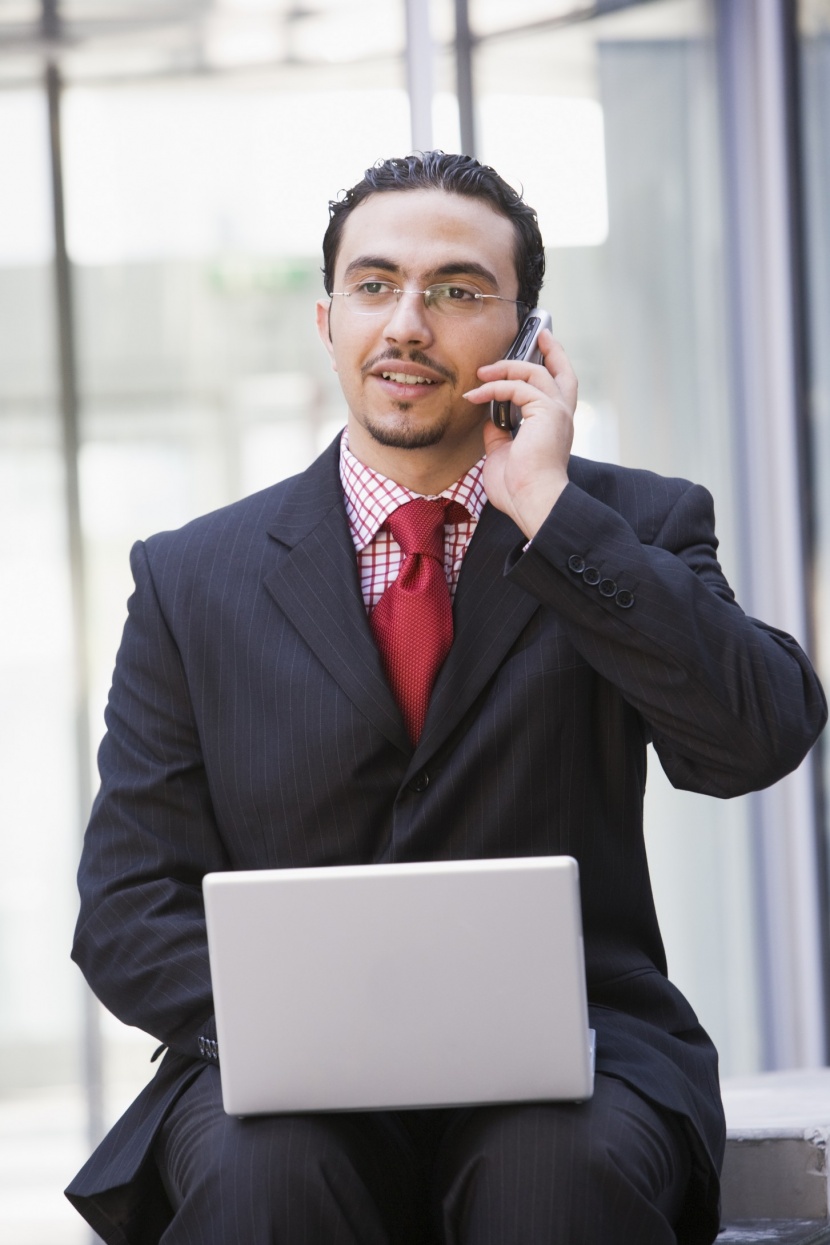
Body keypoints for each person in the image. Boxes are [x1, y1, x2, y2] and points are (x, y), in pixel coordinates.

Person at [66, 151, 826, 1245]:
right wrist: (312, 1030)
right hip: (278, 1068)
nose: (408, 323)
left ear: (528, 335)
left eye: (458, 291)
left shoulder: (629, 527)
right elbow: (128, 908)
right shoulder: (192, 578)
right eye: (374, 286)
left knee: (555, 1170)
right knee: (264, 1177)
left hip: (581, 1053)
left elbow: (754, 738)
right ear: (327, 319)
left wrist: (553, 517)